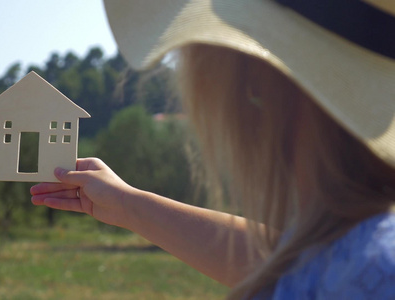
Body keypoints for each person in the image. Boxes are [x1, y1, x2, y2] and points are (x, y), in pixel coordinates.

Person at [31, 0, 395, 298]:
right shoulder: (356, 256)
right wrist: (126, 203)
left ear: (255, 86)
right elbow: (292, 261)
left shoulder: (370, 269)